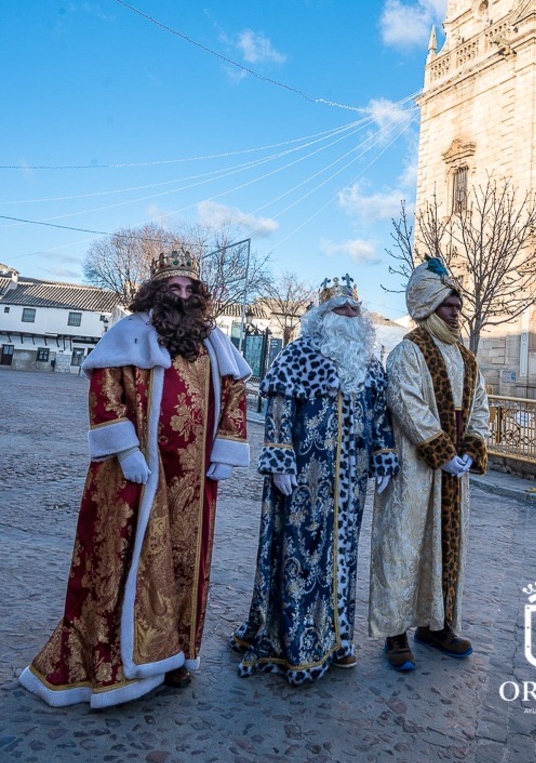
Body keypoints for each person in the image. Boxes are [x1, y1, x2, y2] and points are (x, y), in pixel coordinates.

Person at [19, 248, 252, 708]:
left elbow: (236, 389)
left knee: (186, 564)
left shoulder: (212, 340)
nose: (182, 295)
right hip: (139, 476)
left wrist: (226, 447)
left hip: (193, 480)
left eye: (189, 289)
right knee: (127, 559)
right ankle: (119, 665)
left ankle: (178, 655)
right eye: (173, 288)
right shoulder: (129, 333)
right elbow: (105, 391)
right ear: (156, 292)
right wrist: (125, 449)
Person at [232, 274, 398, 684]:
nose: (348, 315)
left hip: (351, 483)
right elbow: (279, 412)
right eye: (340, 308)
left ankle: (337, 639)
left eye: (354, 309)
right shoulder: (296, 356)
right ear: (322, 315)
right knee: (302, 556)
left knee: (342, 559)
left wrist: (382, 459)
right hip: (305, 479)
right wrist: (280, 459)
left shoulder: (369, 365)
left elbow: (379, 417)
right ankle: (297, 643)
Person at [369, 257, 489, 671]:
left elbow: (480, 408)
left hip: (454, 473)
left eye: (458, 307)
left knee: (446, 549)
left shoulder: (467, 359)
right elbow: (407, 404)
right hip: (416, 471)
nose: (455, 314)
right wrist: (441, 451)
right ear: (427, 308)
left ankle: (437, 625)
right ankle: (396, 632)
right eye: (447, 307)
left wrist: (471, 447)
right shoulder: (408, 352)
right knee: (405, 546)